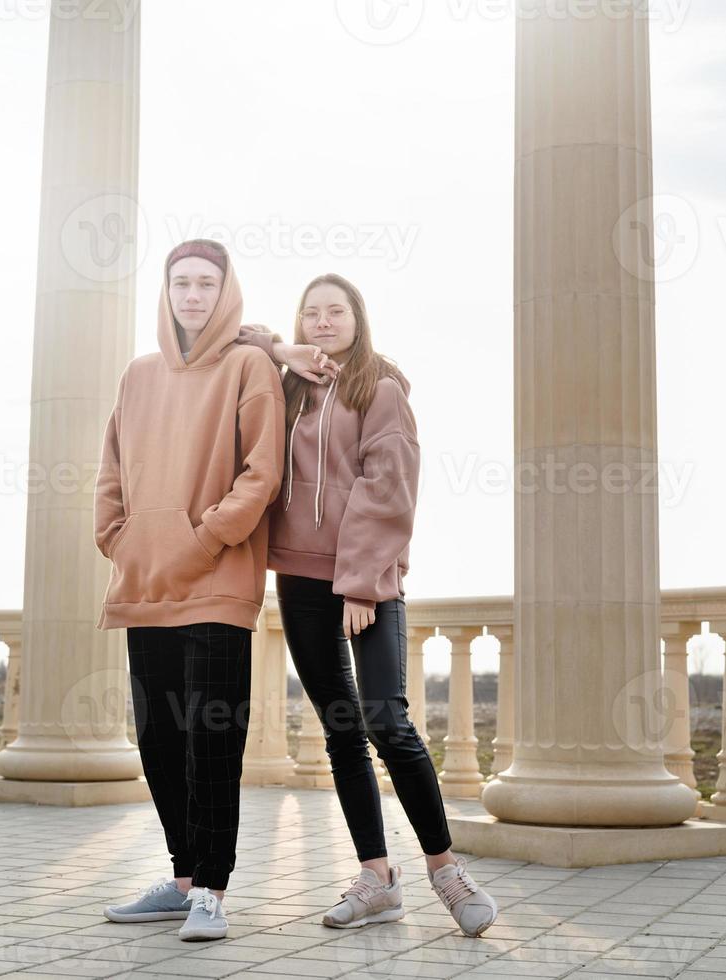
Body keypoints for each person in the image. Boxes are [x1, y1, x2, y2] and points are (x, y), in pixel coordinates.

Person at [237, 273, 498, 938]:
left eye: (336, 311)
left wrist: (358, 580)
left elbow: (390, 487)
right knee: (340, 731)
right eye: (311, 313)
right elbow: (226, 338)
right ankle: (377, 877)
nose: (323, 322)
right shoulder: (287, 385)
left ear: (357, 318)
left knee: (388, 720)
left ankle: (444, 869)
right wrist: (277, 347)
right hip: (296, 581)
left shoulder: (379, 390)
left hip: (366, 583)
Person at [93, 238, 287, 942]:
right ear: (166, 291)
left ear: (225, 291)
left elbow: (261, 475)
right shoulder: (138, 376)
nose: (193, 295)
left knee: (212, 743)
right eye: (182, 283)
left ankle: (212, 890)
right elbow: (110, 467)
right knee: (158, 740)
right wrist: (117, 535)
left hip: (217, 585)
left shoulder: (248, 366)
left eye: (207, 283)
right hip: (144, 583)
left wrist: (203, 539)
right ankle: (181, 878)